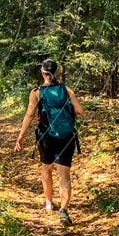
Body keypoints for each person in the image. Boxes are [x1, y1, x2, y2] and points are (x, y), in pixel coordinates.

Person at [15, 58, 84, 225]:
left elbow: (30, 115)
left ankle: (48, 202)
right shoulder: (67, 90)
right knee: (64, 175)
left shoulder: (37, 92)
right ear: (56, 72)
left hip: (46, 137)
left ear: (43, 72)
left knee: (46, 169)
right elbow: (80, 111)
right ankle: (64, 210)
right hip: (67, 137)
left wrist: (20, 137)